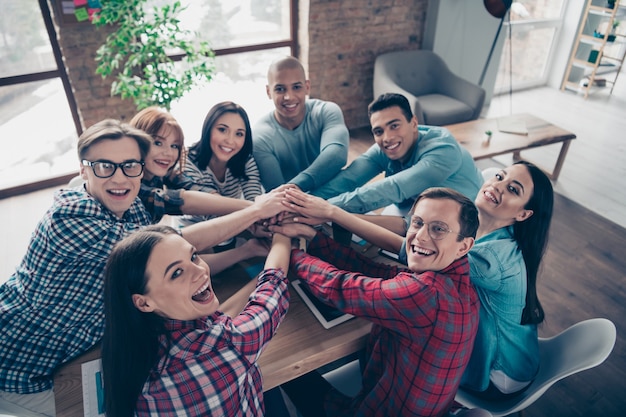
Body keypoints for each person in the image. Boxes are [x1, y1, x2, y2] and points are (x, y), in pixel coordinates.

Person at [0, 119, 288, 417]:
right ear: (83, 170)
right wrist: (258, 210)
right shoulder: (67, 219)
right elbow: (175, 247)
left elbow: (179, 215)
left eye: (130, 165)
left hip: (82, 344)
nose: (120, 178)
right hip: (20, 362)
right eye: (104, 166)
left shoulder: (130, 203)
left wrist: (252, 229)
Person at [282, 160, 553, 401]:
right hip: (499, 352)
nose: (499, 186)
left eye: (513, 189)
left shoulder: (489, 260)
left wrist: (330, 216)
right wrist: (326, 227)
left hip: (500, 372)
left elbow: (405, 248)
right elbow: (406, 235)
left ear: (523, 215)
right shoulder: (470, 247)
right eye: (500, 176)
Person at [275, 187, 480, 417]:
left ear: (464, 245)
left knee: (279, 375)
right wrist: (314, 239)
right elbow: (378, 272)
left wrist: (290, 252)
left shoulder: (427, 294)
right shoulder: (459, 279)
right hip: (420, 404)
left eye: (438, 229)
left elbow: (340, 288)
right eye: (417, 222)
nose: (420, 236)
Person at [102, 225, 292, 417]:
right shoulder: (219, 348)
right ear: (143, 302)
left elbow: (217, 323)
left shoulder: (129, 339)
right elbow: (273, 286)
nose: (200, 271)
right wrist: (282, 232)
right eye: (176, 273)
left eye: (193, 257)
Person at [311, 93, 484, 214]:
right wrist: (304, 201)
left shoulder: (442, 151)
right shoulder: (386, 147)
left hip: (466, 221)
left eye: (394, 126)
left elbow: (392, 188)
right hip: (416, 209)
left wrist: (324, 208)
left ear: (414, 123)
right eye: (378, 131)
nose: (387, 138)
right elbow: (348, 179)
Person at [253, 55, 350, 193]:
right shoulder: (259, 136)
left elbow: (337, 155)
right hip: (290, 208)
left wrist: (294, 187)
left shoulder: (326, 112)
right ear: (269, 92)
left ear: (307, 87)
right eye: (280, 89)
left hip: (333, 196)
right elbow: (275, 190)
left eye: (296, 87)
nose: (289, 97)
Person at [176, 101, 263, 227]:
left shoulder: (245, 160)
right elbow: (212, 210)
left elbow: (254, 200)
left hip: (233, 226)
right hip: (190, 232)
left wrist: (259, 216)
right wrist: (257, 211)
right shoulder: (187, 160)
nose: (230, 140)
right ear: (208, 128)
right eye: (222, 130)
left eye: (239, 134)